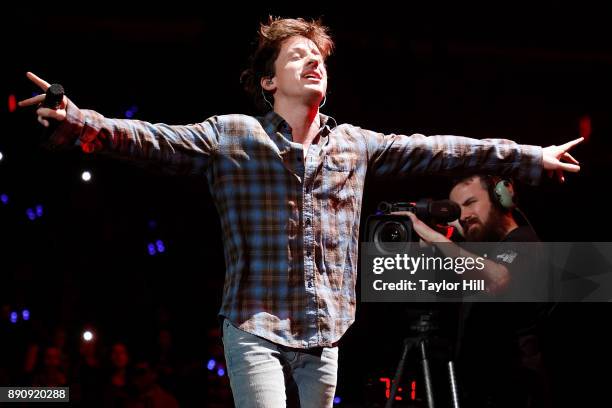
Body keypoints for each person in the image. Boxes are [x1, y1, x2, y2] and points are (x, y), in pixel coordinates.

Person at [18, 17, 581, 408]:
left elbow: (442, 147)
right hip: (255, 328)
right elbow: (150, 139)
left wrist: (528, 157)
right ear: (269, 81)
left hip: (324, 334)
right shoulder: (233, 136)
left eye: (318, 57)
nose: (313, 61)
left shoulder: (354, 144)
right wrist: (79, 121)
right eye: (298, 55)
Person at [399, 174, 554, 407]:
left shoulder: (523, 240)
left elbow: (498, 277)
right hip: (482, 392)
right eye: (455, 210)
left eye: (471, 203)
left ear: (501, 197)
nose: (463, 216)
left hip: (518, 392)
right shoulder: (478, 257)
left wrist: (437, 238)